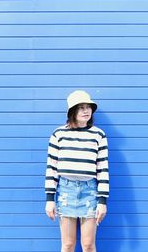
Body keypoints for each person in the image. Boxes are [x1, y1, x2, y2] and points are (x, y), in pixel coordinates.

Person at [44, 90, 110, 252]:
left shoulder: (98, 135)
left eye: (88, 107)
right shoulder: (59, 134)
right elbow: (51, 168)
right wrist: (50, 199)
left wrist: (102, 201)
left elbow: (103, 169)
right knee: (68, 245)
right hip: (66, 190)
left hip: (90, 191)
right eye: (81, 107)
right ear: (72, 111)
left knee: (88, 245)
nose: (86, 111)